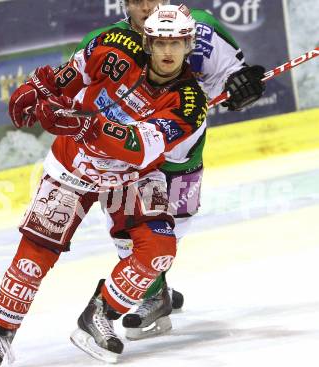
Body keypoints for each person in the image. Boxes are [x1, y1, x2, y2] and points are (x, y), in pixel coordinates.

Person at [0, 3, 208, 367]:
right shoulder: (112, 44)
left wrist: (88, 125)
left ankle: (99, 313)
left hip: (132, 175)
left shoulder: (190, 102)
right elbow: (68, 77)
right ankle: (0, 332)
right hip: (74, 161)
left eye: (176, 43)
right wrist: (37, 89)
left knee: (160, 249)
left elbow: (139, 146)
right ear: (147, 42)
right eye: (160, 43)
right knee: (38, 248)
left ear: (188, 44)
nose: (167, 52)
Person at [74, 0, 266, 341]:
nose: (147, 6)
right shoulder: (105, 41)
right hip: (127, 154)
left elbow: (231, 75)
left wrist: (242, 86)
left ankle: (154, 282)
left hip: (182, 146)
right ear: (124, 4)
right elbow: (77, 93)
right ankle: (153, 295)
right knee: (130, 229)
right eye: (137, 0)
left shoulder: (200, 28)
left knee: (178, 221)